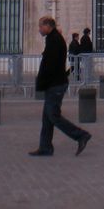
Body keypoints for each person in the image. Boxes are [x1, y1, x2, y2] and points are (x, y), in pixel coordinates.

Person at [29, 16, 91, 157]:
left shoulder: (55, 40)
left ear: (48, 26)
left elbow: (50, 66)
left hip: (55, 85)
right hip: (54, 83)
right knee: (47, 118)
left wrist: (43, 82)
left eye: (40, 26)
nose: (39, 29)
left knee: (53, 116)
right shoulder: (53, 39)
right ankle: (45, 147)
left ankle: (81, 135)